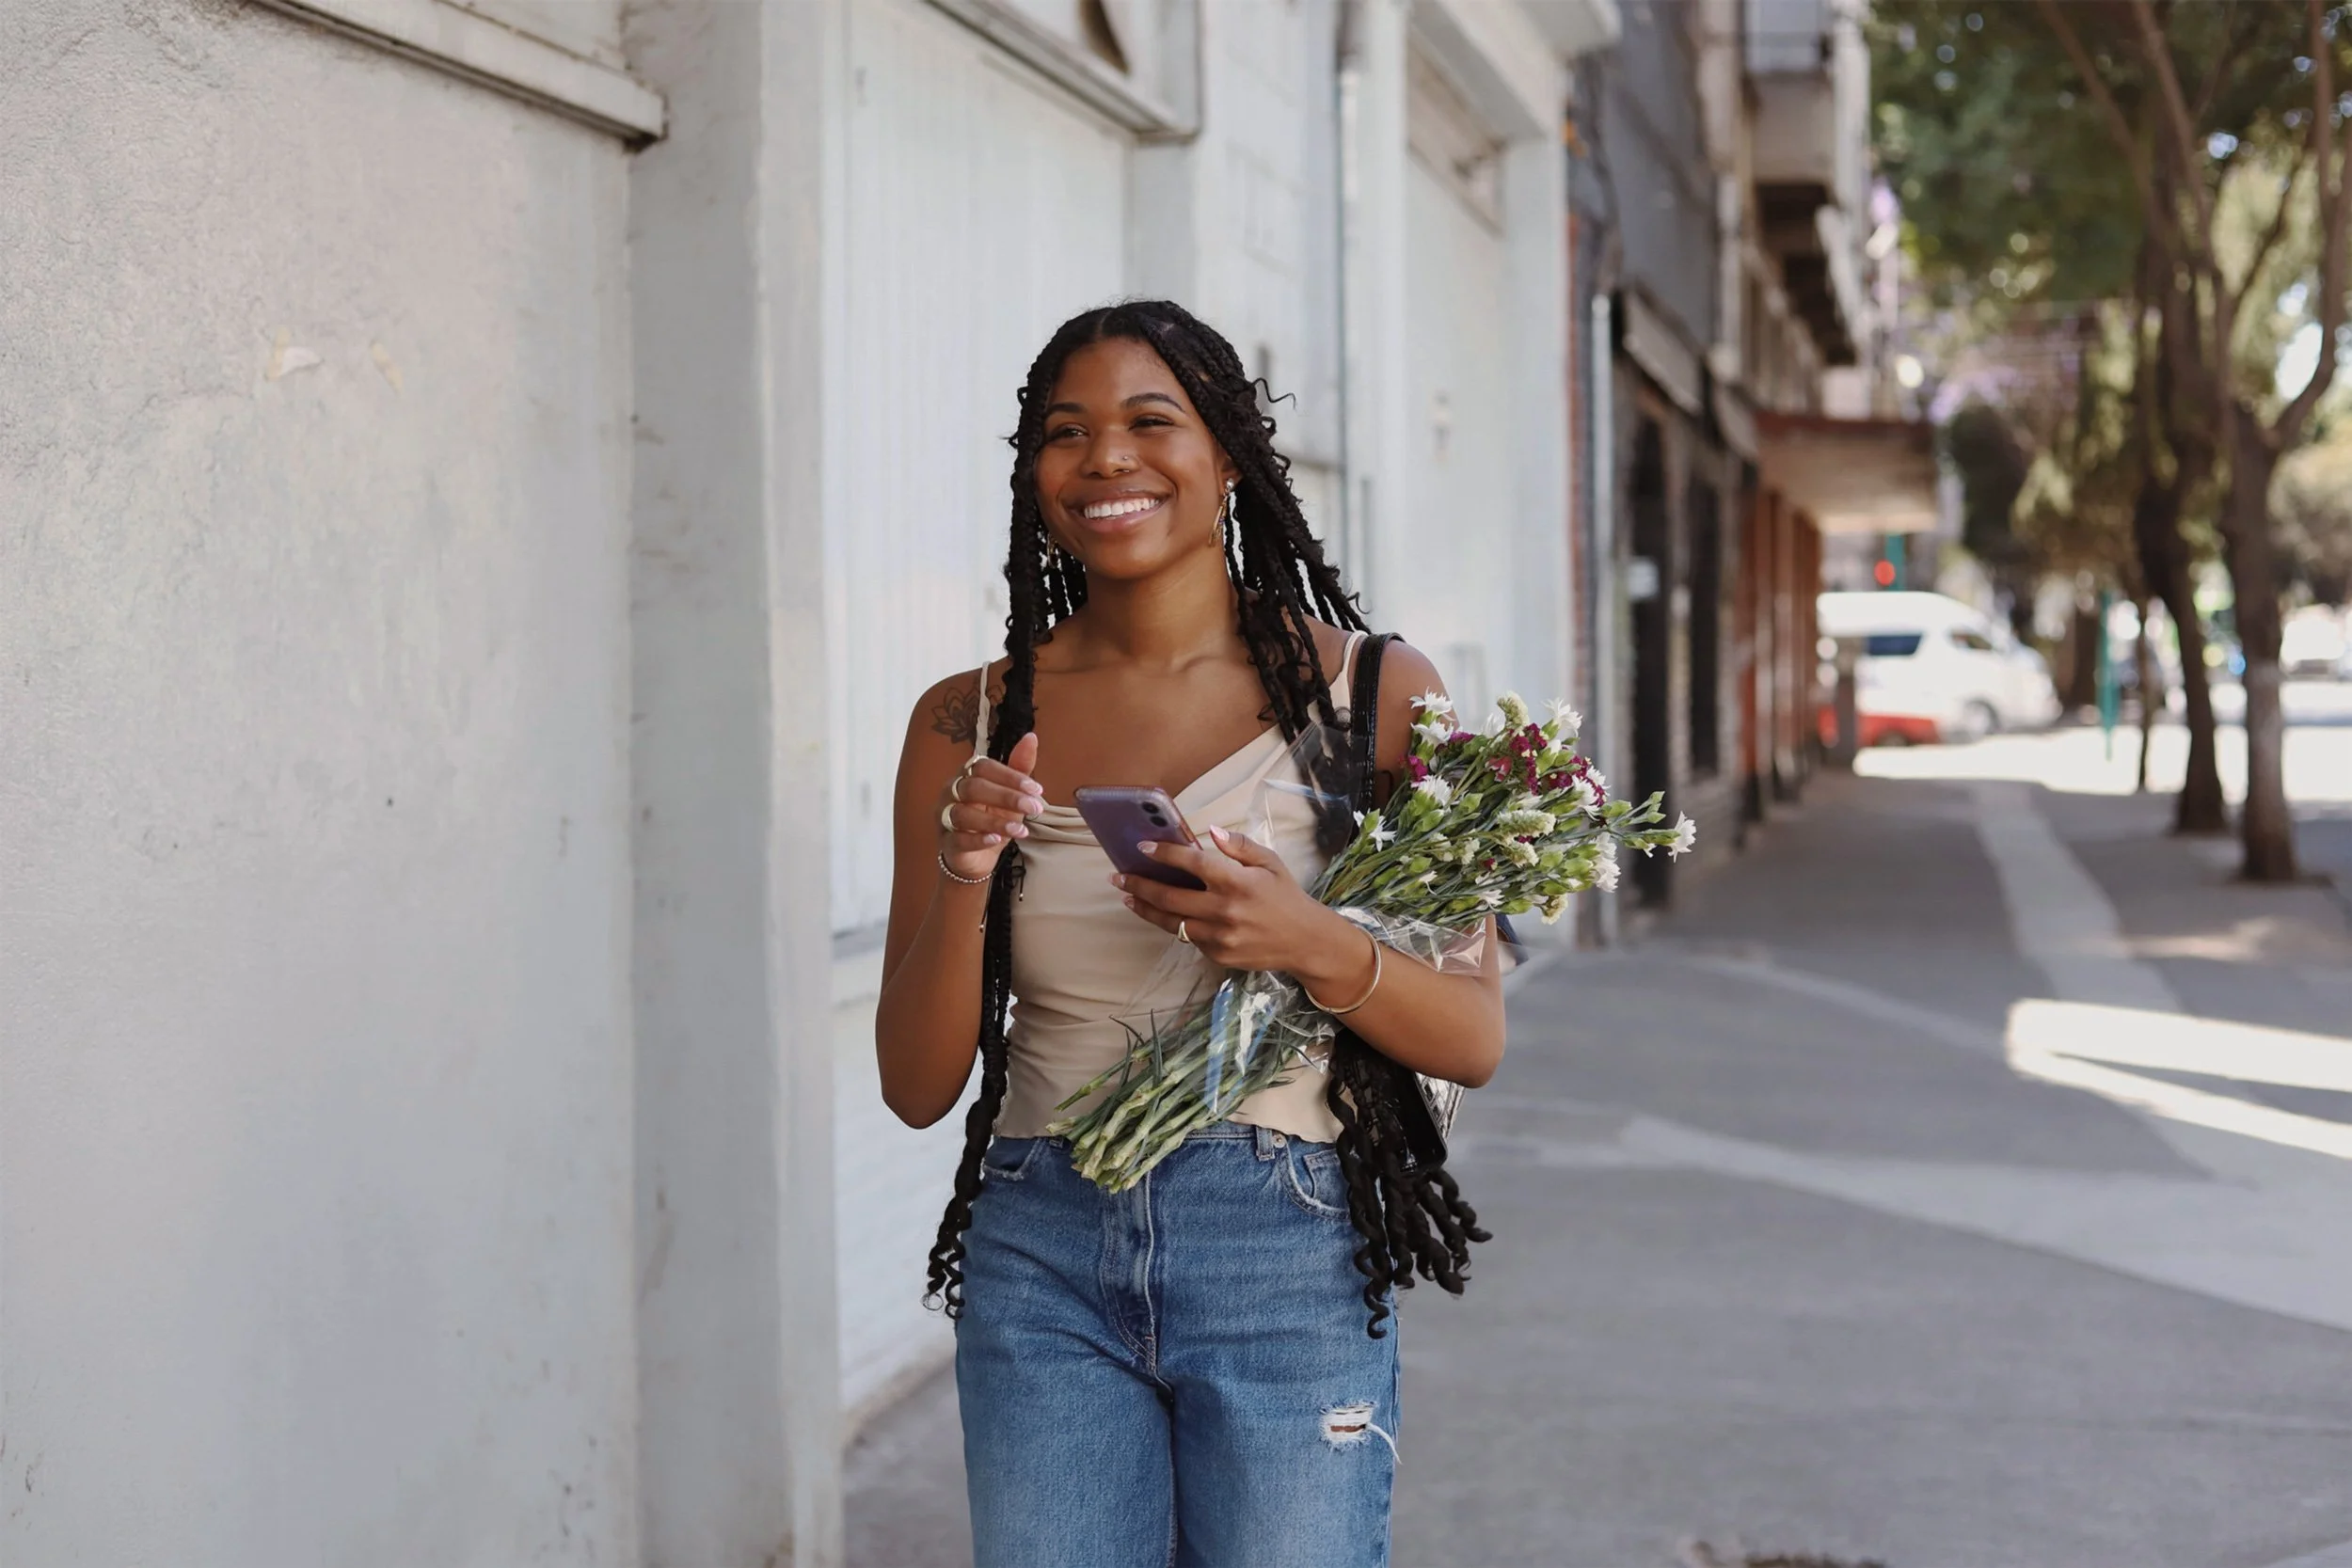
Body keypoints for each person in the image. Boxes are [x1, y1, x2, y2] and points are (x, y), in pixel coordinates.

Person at [875, 300, 1503, 1568]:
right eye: (1066, 433)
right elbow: (916, 1081)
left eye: (1148, 421)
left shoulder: (1373, 700)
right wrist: (964, 867)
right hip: (1041, 1244)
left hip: (1287, 1242)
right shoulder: (970, 719)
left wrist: (1304, 937)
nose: (1105, 458)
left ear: (1228, 456)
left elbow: (1472, 1034)